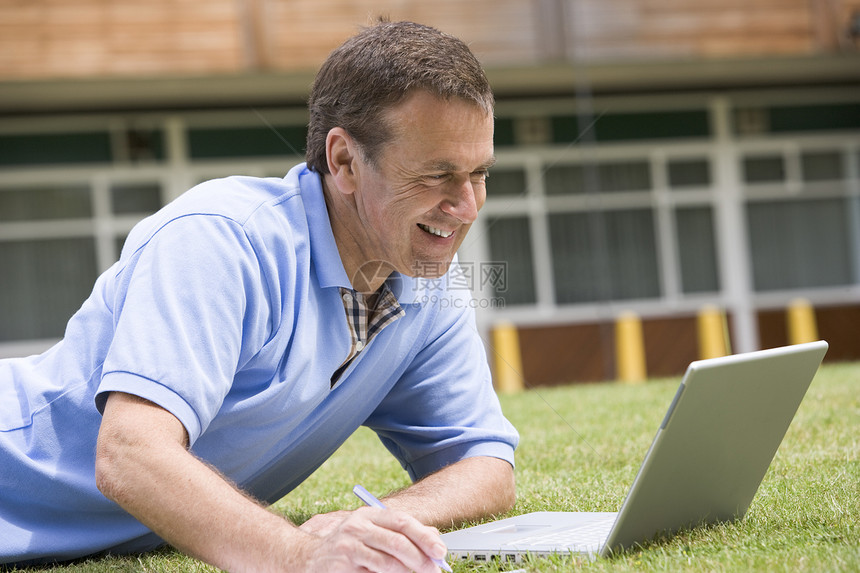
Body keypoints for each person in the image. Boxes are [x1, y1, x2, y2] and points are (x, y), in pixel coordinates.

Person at [0, 19, 518, 572]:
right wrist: (297, 552)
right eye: (438, 174)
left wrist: (376, 525)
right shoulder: (220, 239)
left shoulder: (424, 279)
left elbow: (485, 465)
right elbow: (129, 455)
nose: (467, 205)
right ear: (344, 160)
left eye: (478, 173)